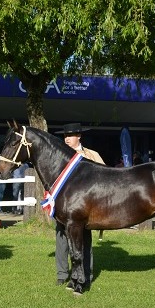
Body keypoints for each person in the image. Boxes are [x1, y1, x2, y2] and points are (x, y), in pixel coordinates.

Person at [54, 123, 105, 289]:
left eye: (71, 135)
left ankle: (86, 274)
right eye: (65, 136)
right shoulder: (58, 156)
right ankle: (62, 274)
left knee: (85, 241)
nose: (67, 139)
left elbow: (106, 177)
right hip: (62, 206)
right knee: (61, 239)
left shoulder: (91, 155)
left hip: (83, 207)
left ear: (79, 136)